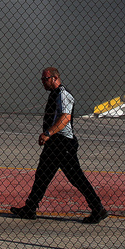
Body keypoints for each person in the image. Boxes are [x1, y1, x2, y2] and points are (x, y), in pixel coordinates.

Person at [10, 67, 108, 224]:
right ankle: (30, 208)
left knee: (76, 178)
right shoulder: (54, 95)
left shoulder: (63, 94)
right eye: (42, 79)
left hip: (63, 144)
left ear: (55, 78)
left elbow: (65, 118)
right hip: (54, 143)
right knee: (42, 176)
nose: (42, 82)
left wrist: (48, 133)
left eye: (45, 79)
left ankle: (98, 208)